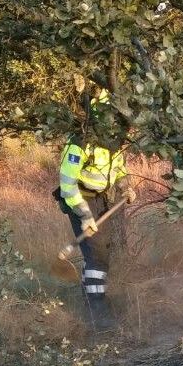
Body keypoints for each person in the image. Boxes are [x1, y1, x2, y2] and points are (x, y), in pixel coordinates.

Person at [56, 125, 136, 329]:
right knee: (97, 257)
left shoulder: (114, 141)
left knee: (98, 253)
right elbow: (67, 185)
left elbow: (119, 169)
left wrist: (126, 187)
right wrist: (84, 214)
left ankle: (88, 300)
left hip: (100, 199)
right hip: (79, 200)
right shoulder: (78, 144)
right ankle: (99, 314)